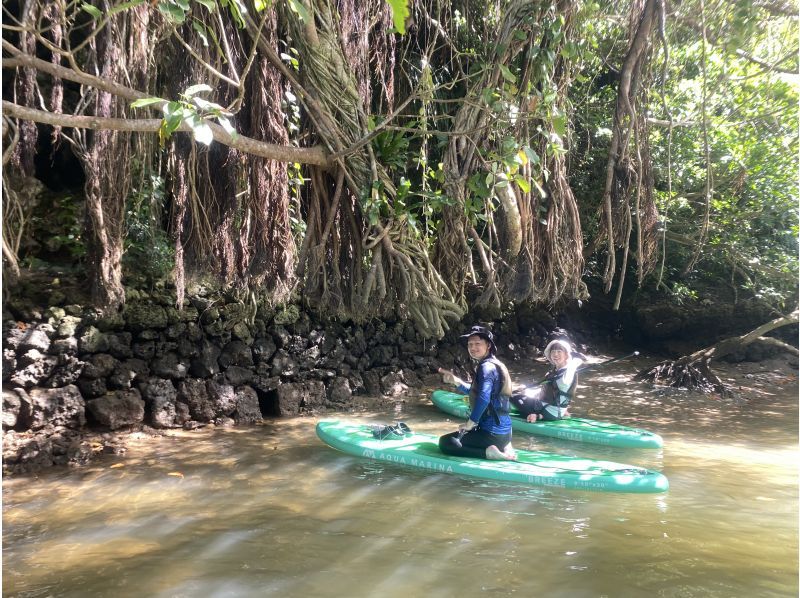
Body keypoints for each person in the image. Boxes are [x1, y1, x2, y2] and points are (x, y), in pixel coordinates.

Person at [437, 326, 516, 461]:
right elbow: (478, 392)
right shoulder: (494, 364)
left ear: (488, 345)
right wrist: (457, 382)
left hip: (491, 434)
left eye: (477, 344)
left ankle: (488, 453)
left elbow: (484, 398)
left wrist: (470, 423)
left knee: (445, 442)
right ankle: (504, 446)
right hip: (506, 434)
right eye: (470, 344)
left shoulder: (486, 367)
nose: (473, 348)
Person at [510, 339, 584, 422]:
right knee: (523, 394)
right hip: (555, 410)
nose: (555, 354)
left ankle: (538, 416)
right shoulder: (555, 371)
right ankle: (545, 414)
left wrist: (574, 363)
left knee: (511, 396)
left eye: (559, 351)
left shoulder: (568, 373)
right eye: (553, 352)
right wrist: (526, 389)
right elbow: (546, 389)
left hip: (548, 411)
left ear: (566, 355)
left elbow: (564, 383)